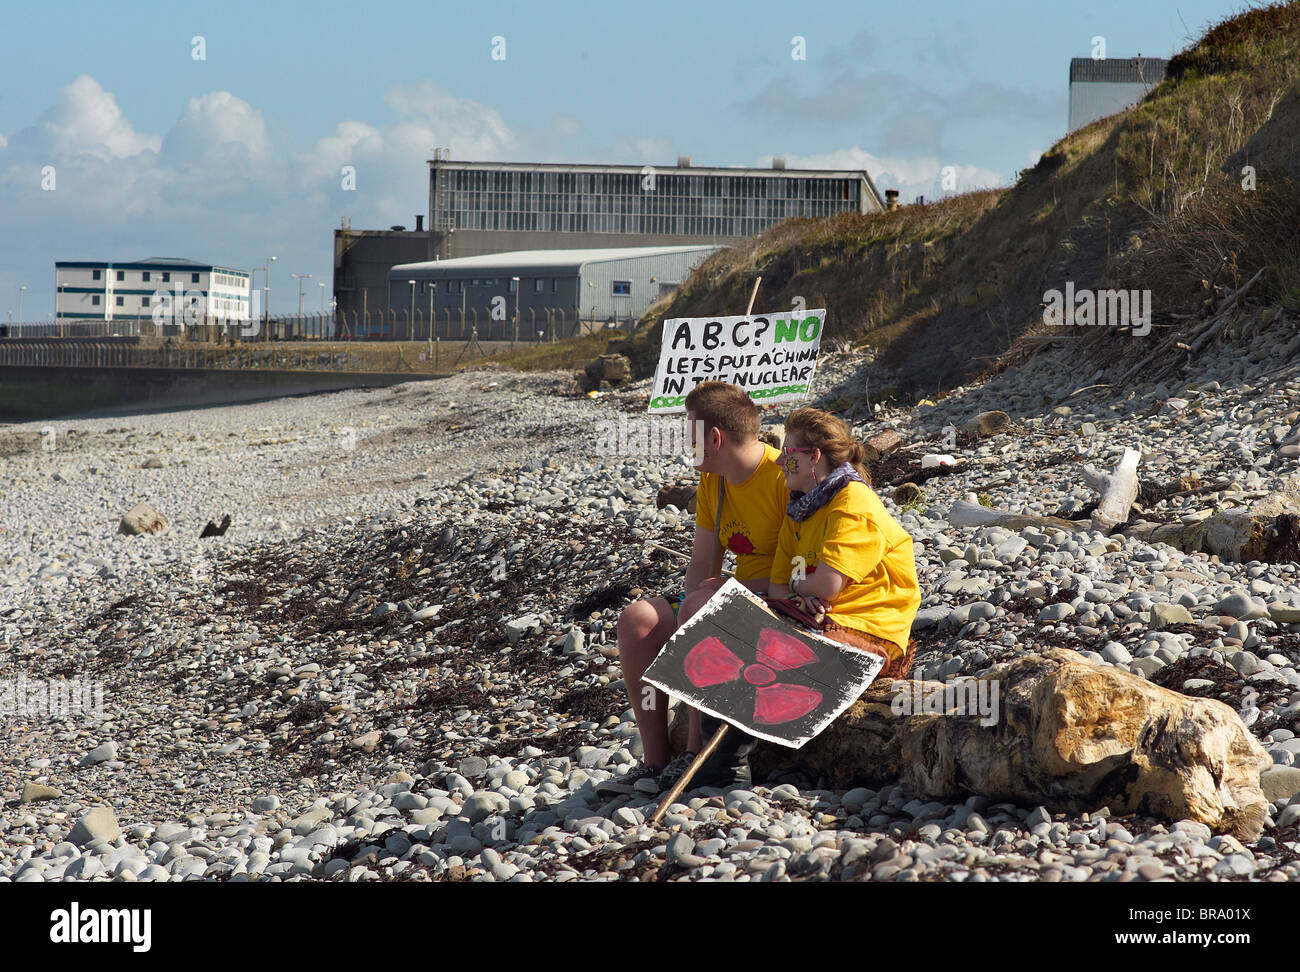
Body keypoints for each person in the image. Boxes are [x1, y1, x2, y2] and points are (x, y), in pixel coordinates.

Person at [599, 381, 788, 795]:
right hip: (731, 591)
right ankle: (654, 761)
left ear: (715, 438)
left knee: (702, 603)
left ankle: (695, 751)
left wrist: (708, 600)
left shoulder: (782, 478)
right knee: (640, 619)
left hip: (780, 601)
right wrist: (687, 613)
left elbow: (797, 572)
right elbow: (703, 563)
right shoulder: (715, 479)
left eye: (690, 435)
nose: (686, 445)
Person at [767, 407, 921, 675]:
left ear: (814, 456)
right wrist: (801, 595)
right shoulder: (799, 510)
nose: (779, 462)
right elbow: (776, 588)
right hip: (823, 619)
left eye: (787, 453)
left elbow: (827, 587)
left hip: (871, 630)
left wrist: (798, 586)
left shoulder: (851, 500)